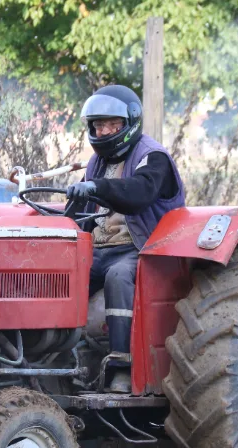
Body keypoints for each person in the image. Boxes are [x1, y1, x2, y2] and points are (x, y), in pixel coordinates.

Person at [66, 84, 186, 393]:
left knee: (118, 277)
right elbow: (76, 211)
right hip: (101, 249)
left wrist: (97, 188)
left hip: (140, 248)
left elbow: (138, 193)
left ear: (128, 124)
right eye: (98, 125)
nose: (104, 131)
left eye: (111, 125)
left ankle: (121, 365)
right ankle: (62, 358)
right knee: (65, 275)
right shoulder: (97, 163)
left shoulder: (153, 157)